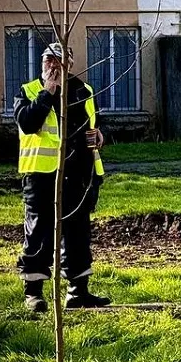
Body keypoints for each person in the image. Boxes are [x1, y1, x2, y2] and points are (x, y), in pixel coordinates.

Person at [14, 42, 110, 312]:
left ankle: (78, 293)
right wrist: (48, 92)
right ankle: (34, 294)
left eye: (59, 60)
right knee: (39, 234)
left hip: (78, 175)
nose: (54, 65)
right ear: (42, 63)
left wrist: (100, 135)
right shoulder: (29, 91)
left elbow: (93, 124)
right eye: (49, 60)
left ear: (70, 64)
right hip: (41, 175)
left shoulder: (83, 90)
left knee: (78, 235)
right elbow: (28, 123)